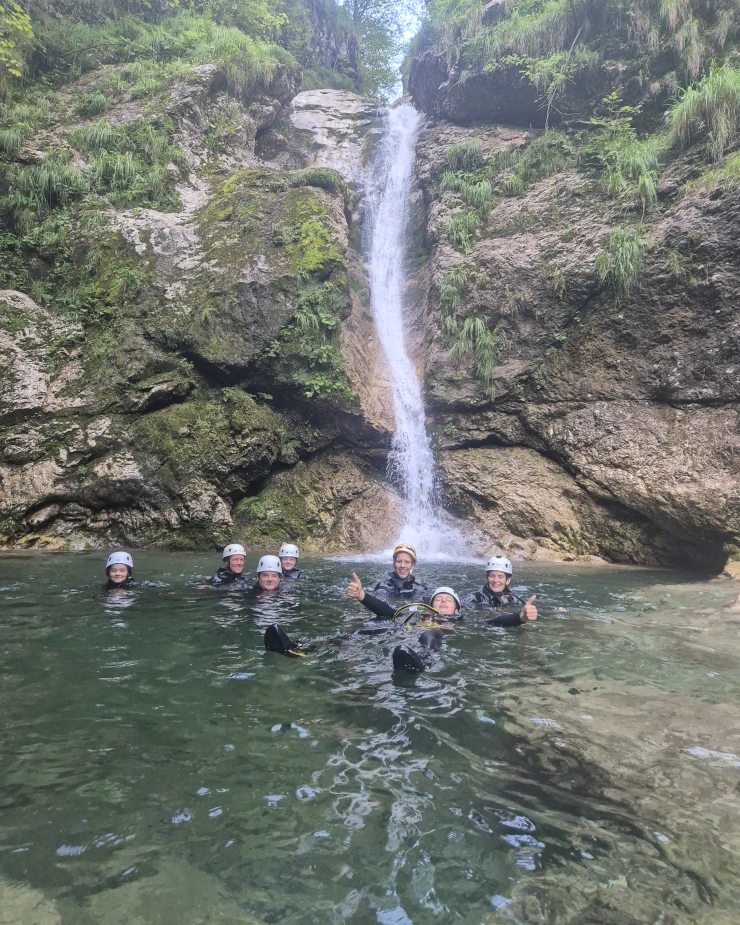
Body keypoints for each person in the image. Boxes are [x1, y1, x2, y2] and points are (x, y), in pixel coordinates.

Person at [464, 556, 538, 625]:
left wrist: (530, 612)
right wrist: (521, 617)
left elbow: (527, 609)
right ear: (487, 578)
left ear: (508, 580)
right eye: (492, 576)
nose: (496, 580)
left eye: (500, 577)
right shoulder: (475, 598)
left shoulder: (511, 597)